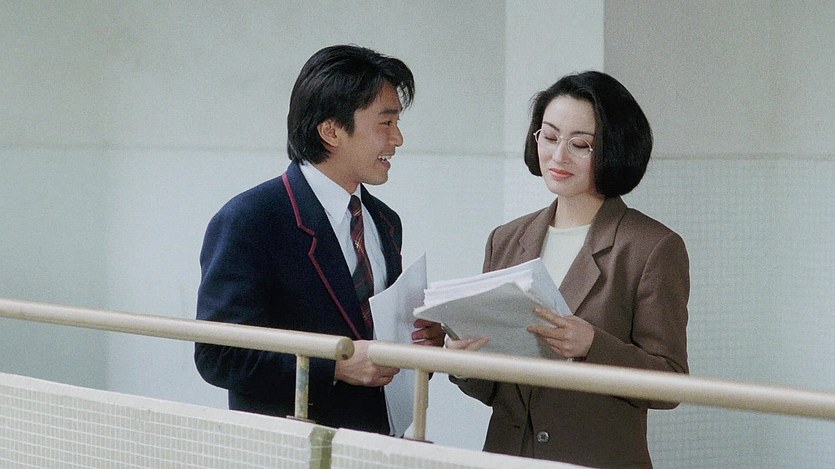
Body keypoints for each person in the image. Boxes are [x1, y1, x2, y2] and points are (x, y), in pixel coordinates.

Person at [194, 44, 444, 435]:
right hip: (291, 447)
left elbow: (375, 335)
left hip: (378, 441)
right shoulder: (250, 219)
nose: (398, 138)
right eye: (386, 122)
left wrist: (420, 341)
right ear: (331, 131)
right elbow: (218, 355)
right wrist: (335, 365)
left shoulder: (384, 220)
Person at [447, 71, 689, 468]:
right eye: (549, 136)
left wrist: (593, 345)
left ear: (614, 149)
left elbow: (671, 384)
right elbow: (496, 391)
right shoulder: (505, 239)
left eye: (580, 144)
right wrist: (463, 363)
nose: (558, 156)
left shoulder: (652, 247)